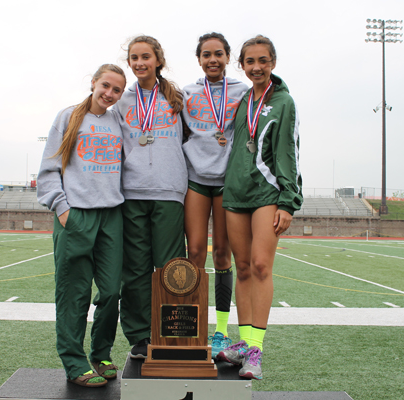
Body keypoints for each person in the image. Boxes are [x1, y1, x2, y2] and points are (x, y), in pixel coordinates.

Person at [217, 35, 303, 380]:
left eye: (263, 61)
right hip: (236, 192)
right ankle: (242, 342)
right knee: (242, 268)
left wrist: (288, 200)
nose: (257, 67)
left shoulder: (284, 102)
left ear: (273, 63)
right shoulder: (240, 101)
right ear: (242, 65)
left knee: (261, 265)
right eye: (250, 61)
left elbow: (289, 152)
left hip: (268, 193)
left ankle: (256, 350)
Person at [37, 64, 127, 388]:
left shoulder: (119, 120)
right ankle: (74, 363)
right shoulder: (68, 116)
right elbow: (49, 167)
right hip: (76, 215)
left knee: (112, 291)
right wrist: (62, 209)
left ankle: (101, 353)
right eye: (105, 85)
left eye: (117, 90)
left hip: (111, 216)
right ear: (93, 83)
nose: (109, 94)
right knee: (74, 294)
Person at [115, 35, 188, 359]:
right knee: (136, 269)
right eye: (134, 58)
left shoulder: (178, 97)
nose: (140, 62)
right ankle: (140, 336)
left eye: (146, 56)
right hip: (132, 192)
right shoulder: (122, 102)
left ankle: (174, 330)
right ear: (129, 62)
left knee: (171, 266)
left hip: (169, 190)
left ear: (158, 59)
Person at [181, 32, 248, 359]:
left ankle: (221, 332)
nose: (212, 59)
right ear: (199, 59)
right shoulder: (188, 92)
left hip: (226, 182)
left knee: (222, 254)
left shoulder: (242, 91)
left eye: (218, 54)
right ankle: (193, 328)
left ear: (227, 57)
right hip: (196, 179)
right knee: (194, 253)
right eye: (206, 54)